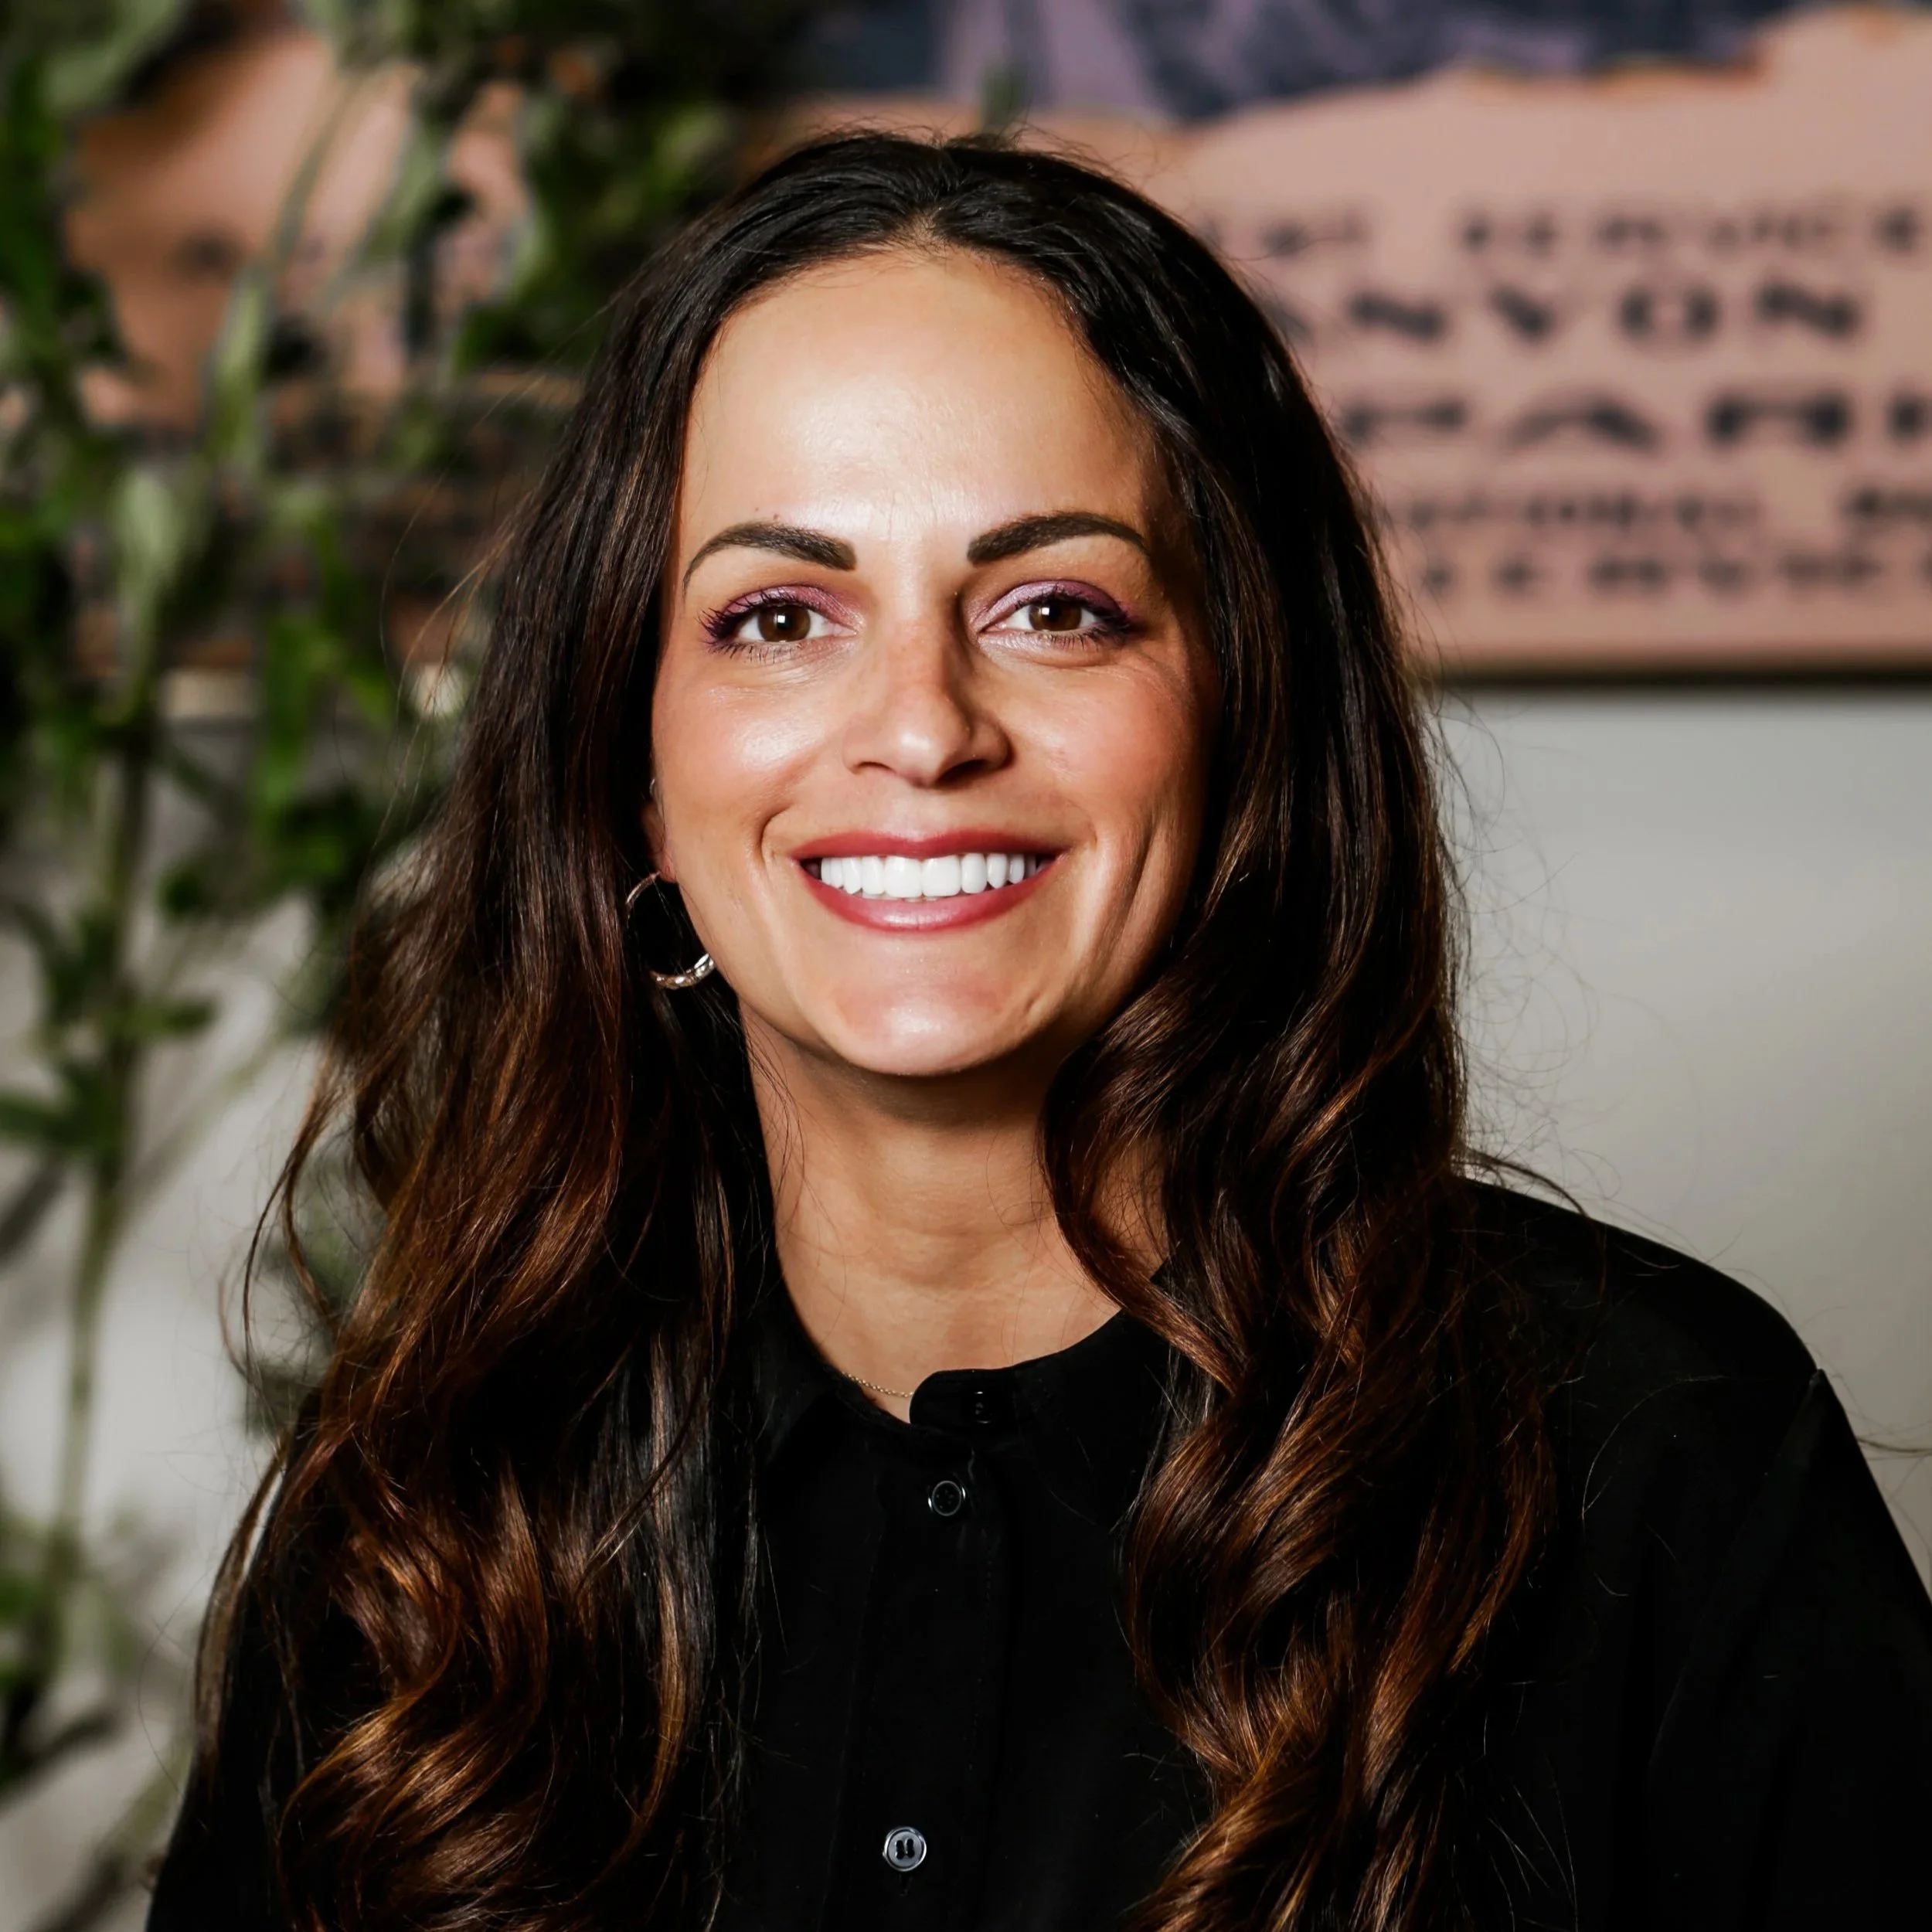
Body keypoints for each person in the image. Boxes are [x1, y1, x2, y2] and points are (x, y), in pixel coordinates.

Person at [149, 134, 1931, 1932]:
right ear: (630, 774)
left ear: (1243, 719)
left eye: (1052, 609)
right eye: (778, 615)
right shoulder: (431, 1507)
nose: (920, 728)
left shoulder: (1660, 1461)